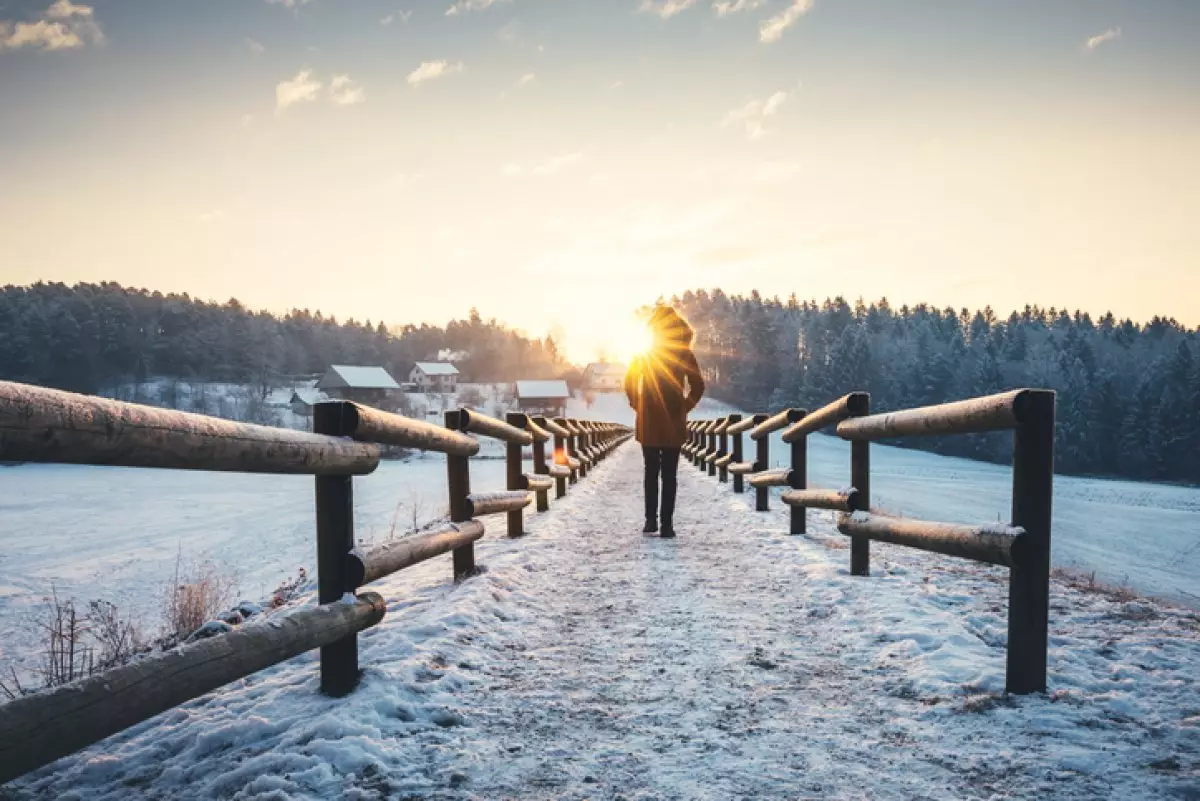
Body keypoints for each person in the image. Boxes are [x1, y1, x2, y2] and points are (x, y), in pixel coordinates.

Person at [623, 306, 705, 538]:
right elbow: (698, 387)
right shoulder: (685, 354)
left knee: (651, 472)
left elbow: (629, 382)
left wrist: (637, 405)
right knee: (670, 474)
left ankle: (651, 521)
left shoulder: (645, 354)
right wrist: (684, 408)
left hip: (649, 421)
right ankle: (667, 525)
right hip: (673, 422)